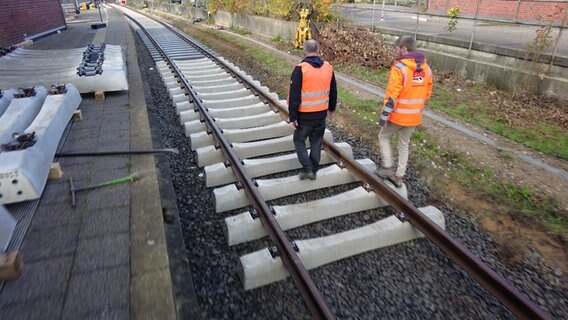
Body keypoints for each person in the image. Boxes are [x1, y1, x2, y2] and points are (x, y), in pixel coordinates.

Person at [376, 36, 433, 188]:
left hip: (397, 115)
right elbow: (427, 94)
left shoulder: (400, 68)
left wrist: (384, 116)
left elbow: (392, 96)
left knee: (383, 136)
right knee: (404, 144)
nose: (396, 51)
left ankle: (388, 167)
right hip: (414, 117)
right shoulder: (426, 68)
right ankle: (399, 177)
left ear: (403, 48)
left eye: (397, 48)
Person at [288, 39, 337, 180]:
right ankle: (314, 169)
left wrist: (293, 117)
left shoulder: (300, 69)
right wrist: (331, 108)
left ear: (304, 50)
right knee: (316, 142)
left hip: (304, 116)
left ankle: (308, 169)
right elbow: (333, 90)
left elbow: (294, 95)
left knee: (299, 141)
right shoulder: (328, 67)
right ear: (318, 50)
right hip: (321, 114)